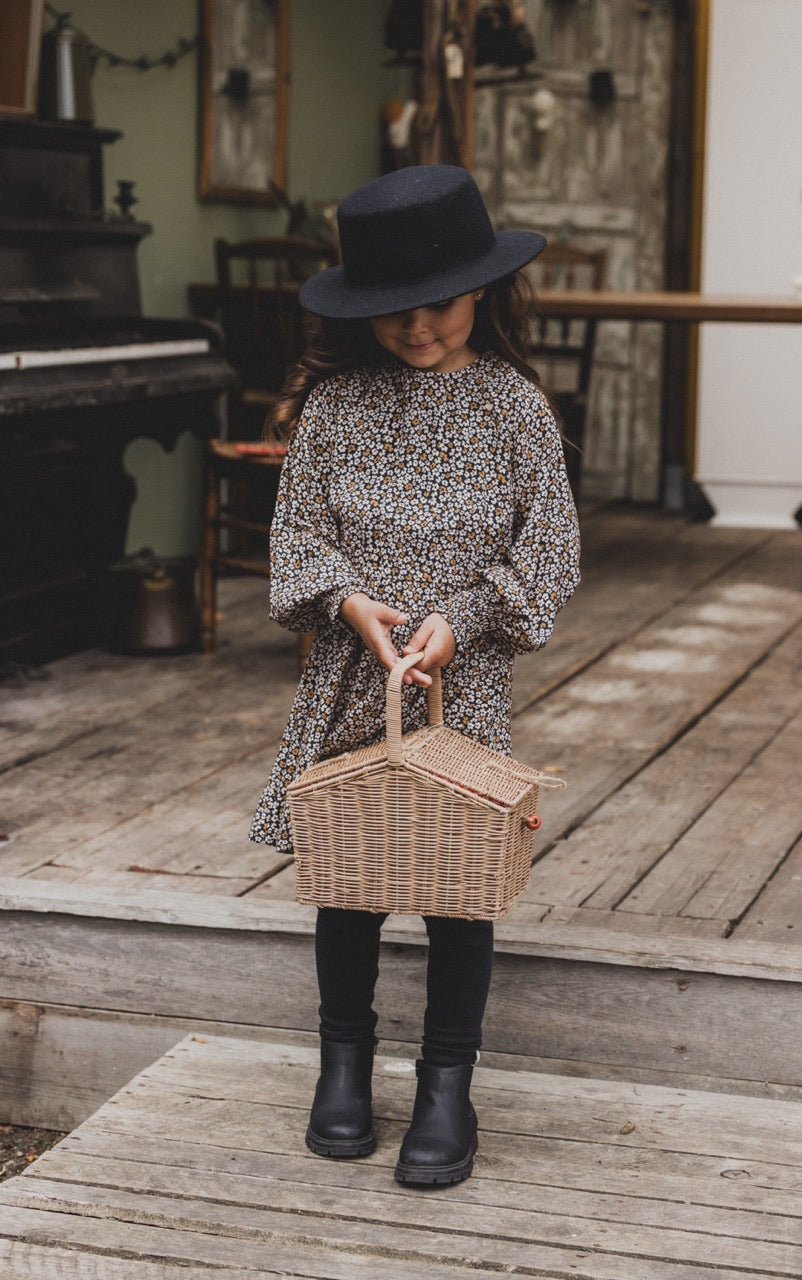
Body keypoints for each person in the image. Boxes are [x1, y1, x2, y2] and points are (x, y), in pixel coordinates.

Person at [250, 164, 580, 1187]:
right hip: (354, 680)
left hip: (460, 681)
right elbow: (296, 531)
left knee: (455, 884)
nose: (418, 325)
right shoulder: (336, 406)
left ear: (483, 288)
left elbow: (552, 547)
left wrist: (465, 618)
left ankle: (447, 1082)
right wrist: (349, 603)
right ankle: (342, 1063)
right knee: (349, 876)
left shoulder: (513, 408)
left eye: (438, 302)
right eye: (394, 309)